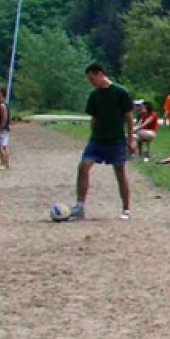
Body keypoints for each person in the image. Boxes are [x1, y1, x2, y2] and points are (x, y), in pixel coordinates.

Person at [69, 63, 135, 221]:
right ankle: (80, 205)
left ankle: (126, 208)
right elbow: (94, 118)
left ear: (100, 74)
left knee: (120, 172)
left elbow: (129, 117)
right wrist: (93, 134)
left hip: (116, 139)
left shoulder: (121, 92)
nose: (91, 82)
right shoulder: (94, 95)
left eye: (92, 79)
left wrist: (130, 139)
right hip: (98, 139)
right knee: (83, 167)